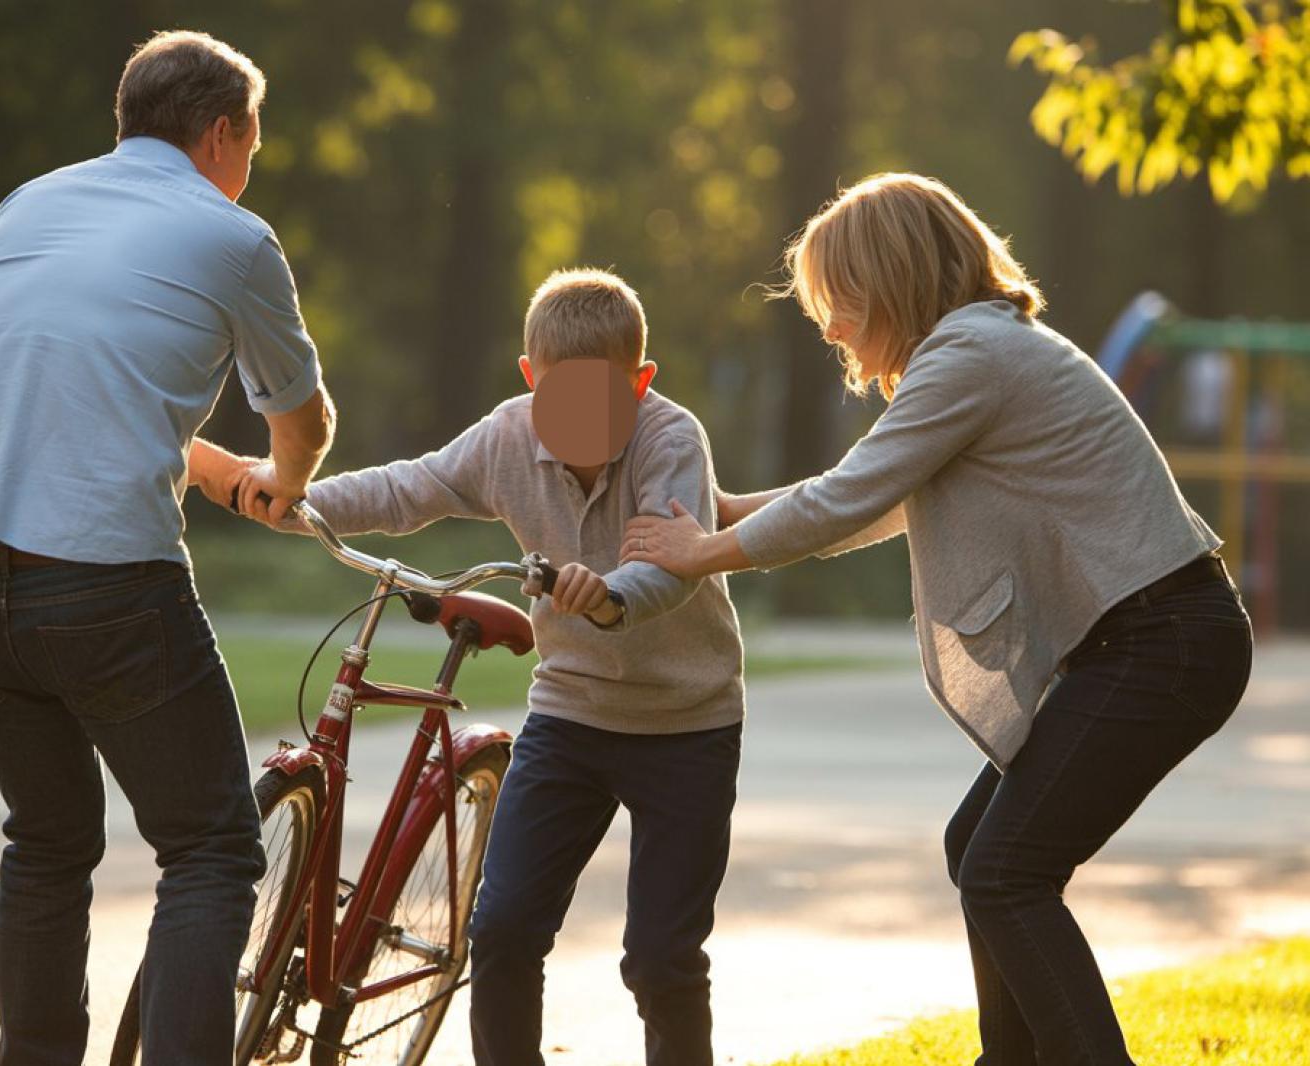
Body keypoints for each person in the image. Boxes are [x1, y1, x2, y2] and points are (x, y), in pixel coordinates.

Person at [622, 173, 1251, 1066]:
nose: (831, 327)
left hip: (1164, 642)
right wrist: (727, 514)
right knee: (982, 853)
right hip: (1153, 639)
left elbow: (851, 495)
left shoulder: (971, 355)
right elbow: (880, 496)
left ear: (893, 278)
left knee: (1007, 872)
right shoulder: (980, 348)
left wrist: (702, 552)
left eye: (840, 299)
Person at [0, 30, 335, 1066]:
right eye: (253, 144)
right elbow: (304, 419)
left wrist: (207, 467)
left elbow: (75, 391)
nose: (249, 165)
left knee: (47, 841)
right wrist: (284, 483)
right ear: (222, 133)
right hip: (106, 586)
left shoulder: (27, 206)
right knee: (210, 848)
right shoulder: (233, 236)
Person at [238, 268, 745, 1066]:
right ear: (530, 379)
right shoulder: (509, 435)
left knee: (661, 959)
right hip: (571, 715)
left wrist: (611, 595)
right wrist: (300, 502)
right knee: (502, 931)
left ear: (640, 382)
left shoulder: (671, 439)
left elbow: (672, 564)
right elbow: (414, 487)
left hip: (686, 724)